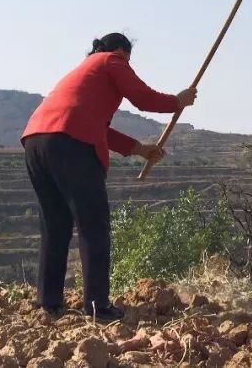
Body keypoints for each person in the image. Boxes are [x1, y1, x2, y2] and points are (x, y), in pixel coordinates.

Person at [21, 32, 196, 321]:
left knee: (56, 225)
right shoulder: (112, 60)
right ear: (121, 51)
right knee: (94, 225)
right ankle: (97, 308)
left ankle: (49, 303)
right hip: (70, 143)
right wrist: (176, 102)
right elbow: (141, 97)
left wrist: (140, 149)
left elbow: (100, 127)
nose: (128, 65)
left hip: (36, 141)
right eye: (129, 59)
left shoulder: (82, 74)